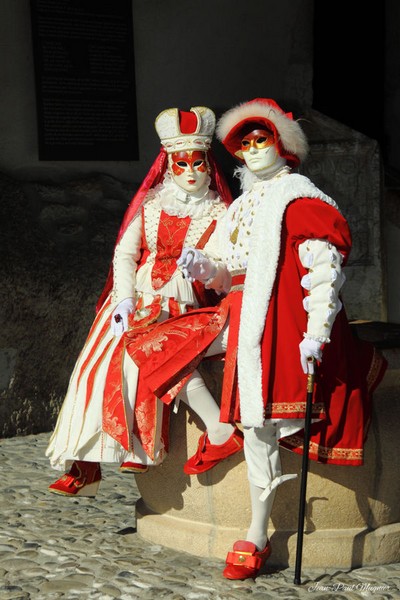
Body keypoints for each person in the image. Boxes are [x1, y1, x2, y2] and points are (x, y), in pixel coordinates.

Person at [126, 98, 388, 579]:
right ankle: (219, 430)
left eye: (260, 138)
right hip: (241, 313)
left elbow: (324, 273)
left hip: (281, 320)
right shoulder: (241, 205)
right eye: (243, 143)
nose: (251, 149)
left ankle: (257, 530)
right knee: (156, 344)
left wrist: (316, 334)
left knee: (264, 419)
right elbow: (228, 272)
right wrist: (204, 267)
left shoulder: (302, 199)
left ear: (283, 144)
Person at [46, 105, 244, 498]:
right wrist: (122, 300)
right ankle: (84, 463)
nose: (190, 172)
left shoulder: (222, 212)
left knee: (155, 359)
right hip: (135, 298)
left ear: (209, 165)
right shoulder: (151, 203)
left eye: (198, 164)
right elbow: (124, 253)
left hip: (182, 303)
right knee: (95, 367)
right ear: (168, 164)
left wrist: (204, 264)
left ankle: (138, 447)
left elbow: (228, 265)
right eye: (181, 163)